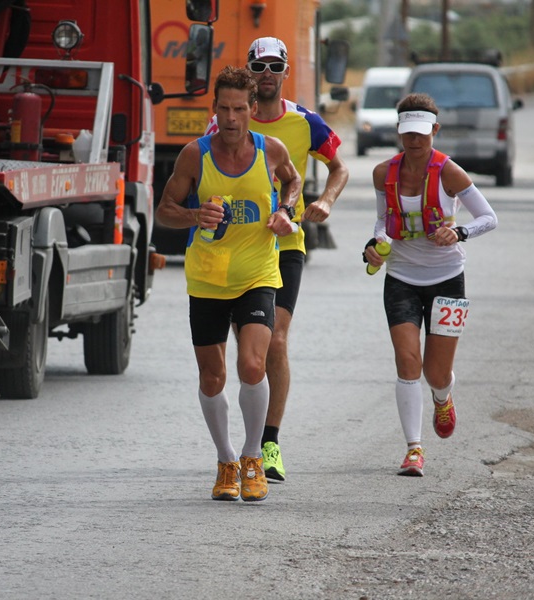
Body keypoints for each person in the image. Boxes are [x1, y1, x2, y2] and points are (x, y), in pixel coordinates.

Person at [206, 37, 349, 482]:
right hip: (237, 249)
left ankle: (268, 444)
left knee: (276, 342)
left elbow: (339, 167)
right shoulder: (226, 121)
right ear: (248, 72)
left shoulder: (306, 123)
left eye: (275, 65)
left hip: (285, 247)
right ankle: (242, 443)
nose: (267, 72)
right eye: (259, 65)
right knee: (245, 353)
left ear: (286, 71)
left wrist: (323, 200)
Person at [156, 65, 301, 501]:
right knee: (212, 377)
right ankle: (225, 460)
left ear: (254, 109)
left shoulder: (270, 151)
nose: (232, 119)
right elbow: (165, 209)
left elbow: (292, 181)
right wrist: (193, 215)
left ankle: (253, 456)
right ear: (214, 109)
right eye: (224, 109)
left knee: (253, 365)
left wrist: (286, 211)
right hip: (207, 277)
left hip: (258, 273)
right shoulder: (193, 156)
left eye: (240, 109)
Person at [363, 92, 498, 477]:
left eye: (422, 133)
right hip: (401, 278)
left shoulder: (450, 173)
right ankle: (414, 449)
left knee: (435, 373)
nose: (415, 141)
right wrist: (375, 245)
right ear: (399, 132)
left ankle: (443, 395)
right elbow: (382, 221)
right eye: (408, 133)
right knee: (407, 361)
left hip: (447, 280)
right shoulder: (382, 173)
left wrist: (460, 232)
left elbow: (489, 218)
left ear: (435, 130)